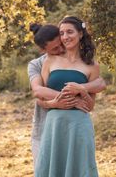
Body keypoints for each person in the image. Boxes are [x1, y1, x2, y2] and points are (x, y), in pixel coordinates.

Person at [28, 22, 106, 167]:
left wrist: (81, 89)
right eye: (54, 49)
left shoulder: (84, 61)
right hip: (45, 124)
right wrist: (65, 100)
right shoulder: (39, 64)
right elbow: (38, 91)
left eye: (60, 44)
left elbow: (100, 83)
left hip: (76, 125)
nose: (60, 49)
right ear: (43, 51)